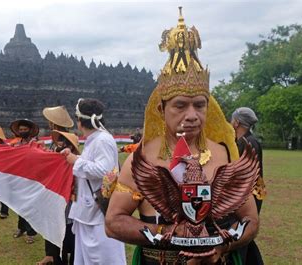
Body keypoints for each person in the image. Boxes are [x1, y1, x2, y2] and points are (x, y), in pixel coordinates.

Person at [105, 8, 259, 265]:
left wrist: (221, 247)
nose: (191, 115)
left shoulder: (226, 153)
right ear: (161, 110)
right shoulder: (143, 159)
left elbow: (250, 219)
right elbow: (114, 222)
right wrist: (170, 234)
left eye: (199, 105)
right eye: (180, 105)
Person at [61, 98, 126, 265]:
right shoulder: (94, 140)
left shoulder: (102, 140)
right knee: (87, 257)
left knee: (104, 257)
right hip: (87, 211)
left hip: (98, 212)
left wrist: (76, 160)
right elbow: (90, 164)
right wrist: (74, 156)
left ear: (81, 121)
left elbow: (104, 171)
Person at [37, 105, 75, 265]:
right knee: (53, 221)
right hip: (54, 188)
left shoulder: (66, 141)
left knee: (64, 224)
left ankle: (62, 256)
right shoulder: (55, 142)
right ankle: (53, 255)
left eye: (50, 121)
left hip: (64, 190)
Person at [232, 107, 266, 265]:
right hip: (255, 193)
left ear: (237, 122)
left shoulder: (243, 143)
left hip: (246, 197)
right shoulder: (252, 140)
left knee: (242, 234)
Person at [11, 119, 40, 244]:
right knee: (20, 206)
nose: (23, 131)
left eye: (25, 129)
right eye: (21, 130)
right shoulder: (16, 145)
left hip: (32, 179)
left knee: (30, 207)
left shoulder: (36, 144)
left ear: (30, 130)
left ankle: (31, 233)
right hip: (19, 179)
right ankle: (21, 228)